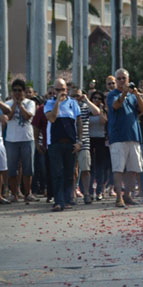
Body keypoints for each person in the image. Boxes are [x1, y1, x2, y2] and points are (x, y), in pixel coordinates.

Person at [107, 68, 143, 208]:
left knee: (133, 168)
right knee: (118, 168)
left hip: (133, 135)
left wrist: (137, 94)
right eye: (119, 79)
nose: (122, 81)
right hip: (118, 136)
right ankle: (119, 197)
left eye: (124, 78)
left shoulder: (132, 95)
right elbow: (116, 105)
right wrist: (124, 93)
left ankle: (128, 195)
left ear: (128, 79)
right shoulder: (112, 94)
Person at [44, 79, 82, 211]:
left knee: (69, 174)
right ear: (54, 90)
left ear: (66, 90)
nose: (60, 92)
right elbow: (52, 118)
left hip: (70, 143)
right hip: (55, 143)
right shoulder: (49, 103)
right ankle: (58, 201)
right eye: (57, 90)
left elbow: (79, 122)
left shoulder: (73, 103)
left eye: (62, 89)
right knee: (57, 173)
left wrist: (79, 141)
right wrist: (58, 103)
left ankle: (67, 199)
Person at [3, 78, 38, 203]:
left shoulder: (30, 103)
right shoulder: (8, 103)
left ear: (24, 91)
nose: (17, 93)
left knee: (28, 167)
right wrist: (14, 105)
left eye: (19, 90)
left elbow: (28, 116)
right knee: (12, 168)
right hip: (11, 140)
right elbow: (8, 117)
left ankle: (28, 193)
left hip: (27, 138)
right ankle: (14, 193)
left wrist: (20, 105)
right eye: (15, 90)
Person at [72, 86, 102, 204]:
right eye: (73, 96)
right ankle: (73, 192)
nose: (76, 98)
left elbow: (97, 112)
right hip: (71, 141)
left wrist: (87, 100)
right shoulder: (68, 107)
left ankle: (86, 193)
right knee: (73, 170)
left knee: (85, 169)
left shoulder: (85, 107)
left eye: (77, 95)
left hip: (84, 142)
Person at [88, 91, 109, 201]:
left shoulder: (103, 111)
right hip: (90, 139)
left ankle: (100, 190)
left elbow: (103, 121)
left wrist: (100, 109)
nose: (96, 100)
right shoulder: (87, 110)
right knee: (91, 166)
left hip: (101, 139)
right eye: (94, 98)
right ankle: (90, 191)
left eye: (99, 98)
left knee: (100, 167)